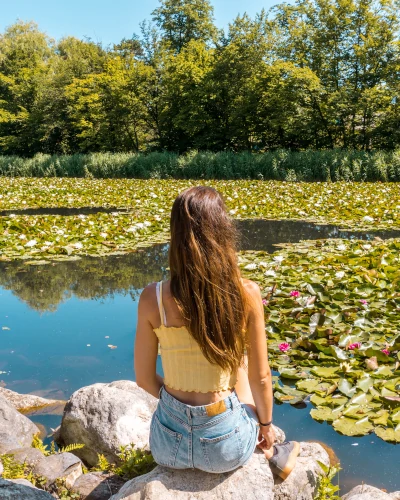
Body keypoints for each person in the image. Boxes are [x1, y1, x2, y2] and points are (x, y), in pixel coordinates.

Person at [134, 186, 299, 479]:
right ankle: (273, 452)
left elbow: (144, 379)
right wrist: (265, 426)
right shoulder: (246, 293)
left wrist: (177, 408)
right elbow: (260, 378)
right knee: (241, 361)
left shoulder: (152, 297)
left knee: (233, 360)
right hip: (225, 448)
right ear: (223, 231)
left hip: (166, 447)